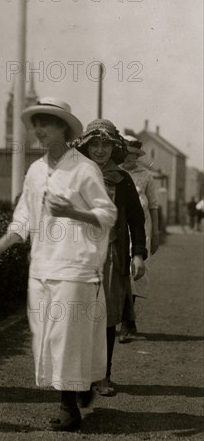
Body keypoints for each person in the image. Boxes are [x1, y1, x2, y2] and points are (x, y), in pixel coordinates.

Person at [0, 98, 117, 432]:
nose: (38, 130)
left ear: (64, 129)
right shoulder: (36, 171)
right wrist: (1, 243)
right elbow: (24, 216)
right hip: (41, 266)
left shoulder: (84, 169)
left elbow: (107, 213)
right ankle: (78, 386)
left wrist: (73, 212)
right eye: (35, 124)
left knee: (67, 336)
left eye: (46, 123)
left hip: (75, 267)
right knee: (47, 337)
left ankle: (69, 407)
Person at [76, 121, 147, 396]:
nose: (100, 150)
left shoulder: (122, 179)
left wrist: (138, 254)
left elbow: (137, 221)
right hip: (79, 256)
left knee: (106, 317)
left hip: (111, 258)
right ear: (86, 146)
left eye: (106, 145)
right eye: (95, 144)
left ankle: (103, 376)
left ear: (114, 148)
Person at [118, 135, 160, 342]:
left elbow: (153, 205)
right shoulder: (112, 172)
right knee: (118, 270)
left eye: (134, 155)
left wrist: (157, 233)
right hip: (117, 228)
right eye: (126, 153)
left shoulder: (146, 175)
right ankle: (123, 320)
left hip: (141, 230)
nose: (130, 158)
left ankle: (127, 323)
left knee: (134, 272)